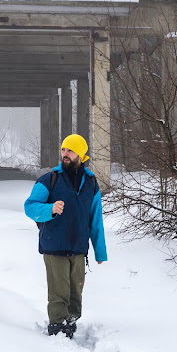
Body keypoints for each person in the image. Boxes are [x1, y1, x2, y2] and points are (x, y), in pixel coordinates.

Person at [24, 134, 107, 338]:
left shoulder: (91, 182)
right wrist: (50, 209)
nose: (65, 154)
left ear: (80, 154)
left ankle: (70, 324)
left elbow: (95, 220)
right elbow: (30, 206)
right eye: (63, 150)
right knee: (59, 291)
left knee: (75, 292)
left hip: (78, 247)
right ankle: (57, 327)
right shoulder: (50, 179)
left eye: (69, 150)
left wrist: (100, 251)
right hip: (54, 245)